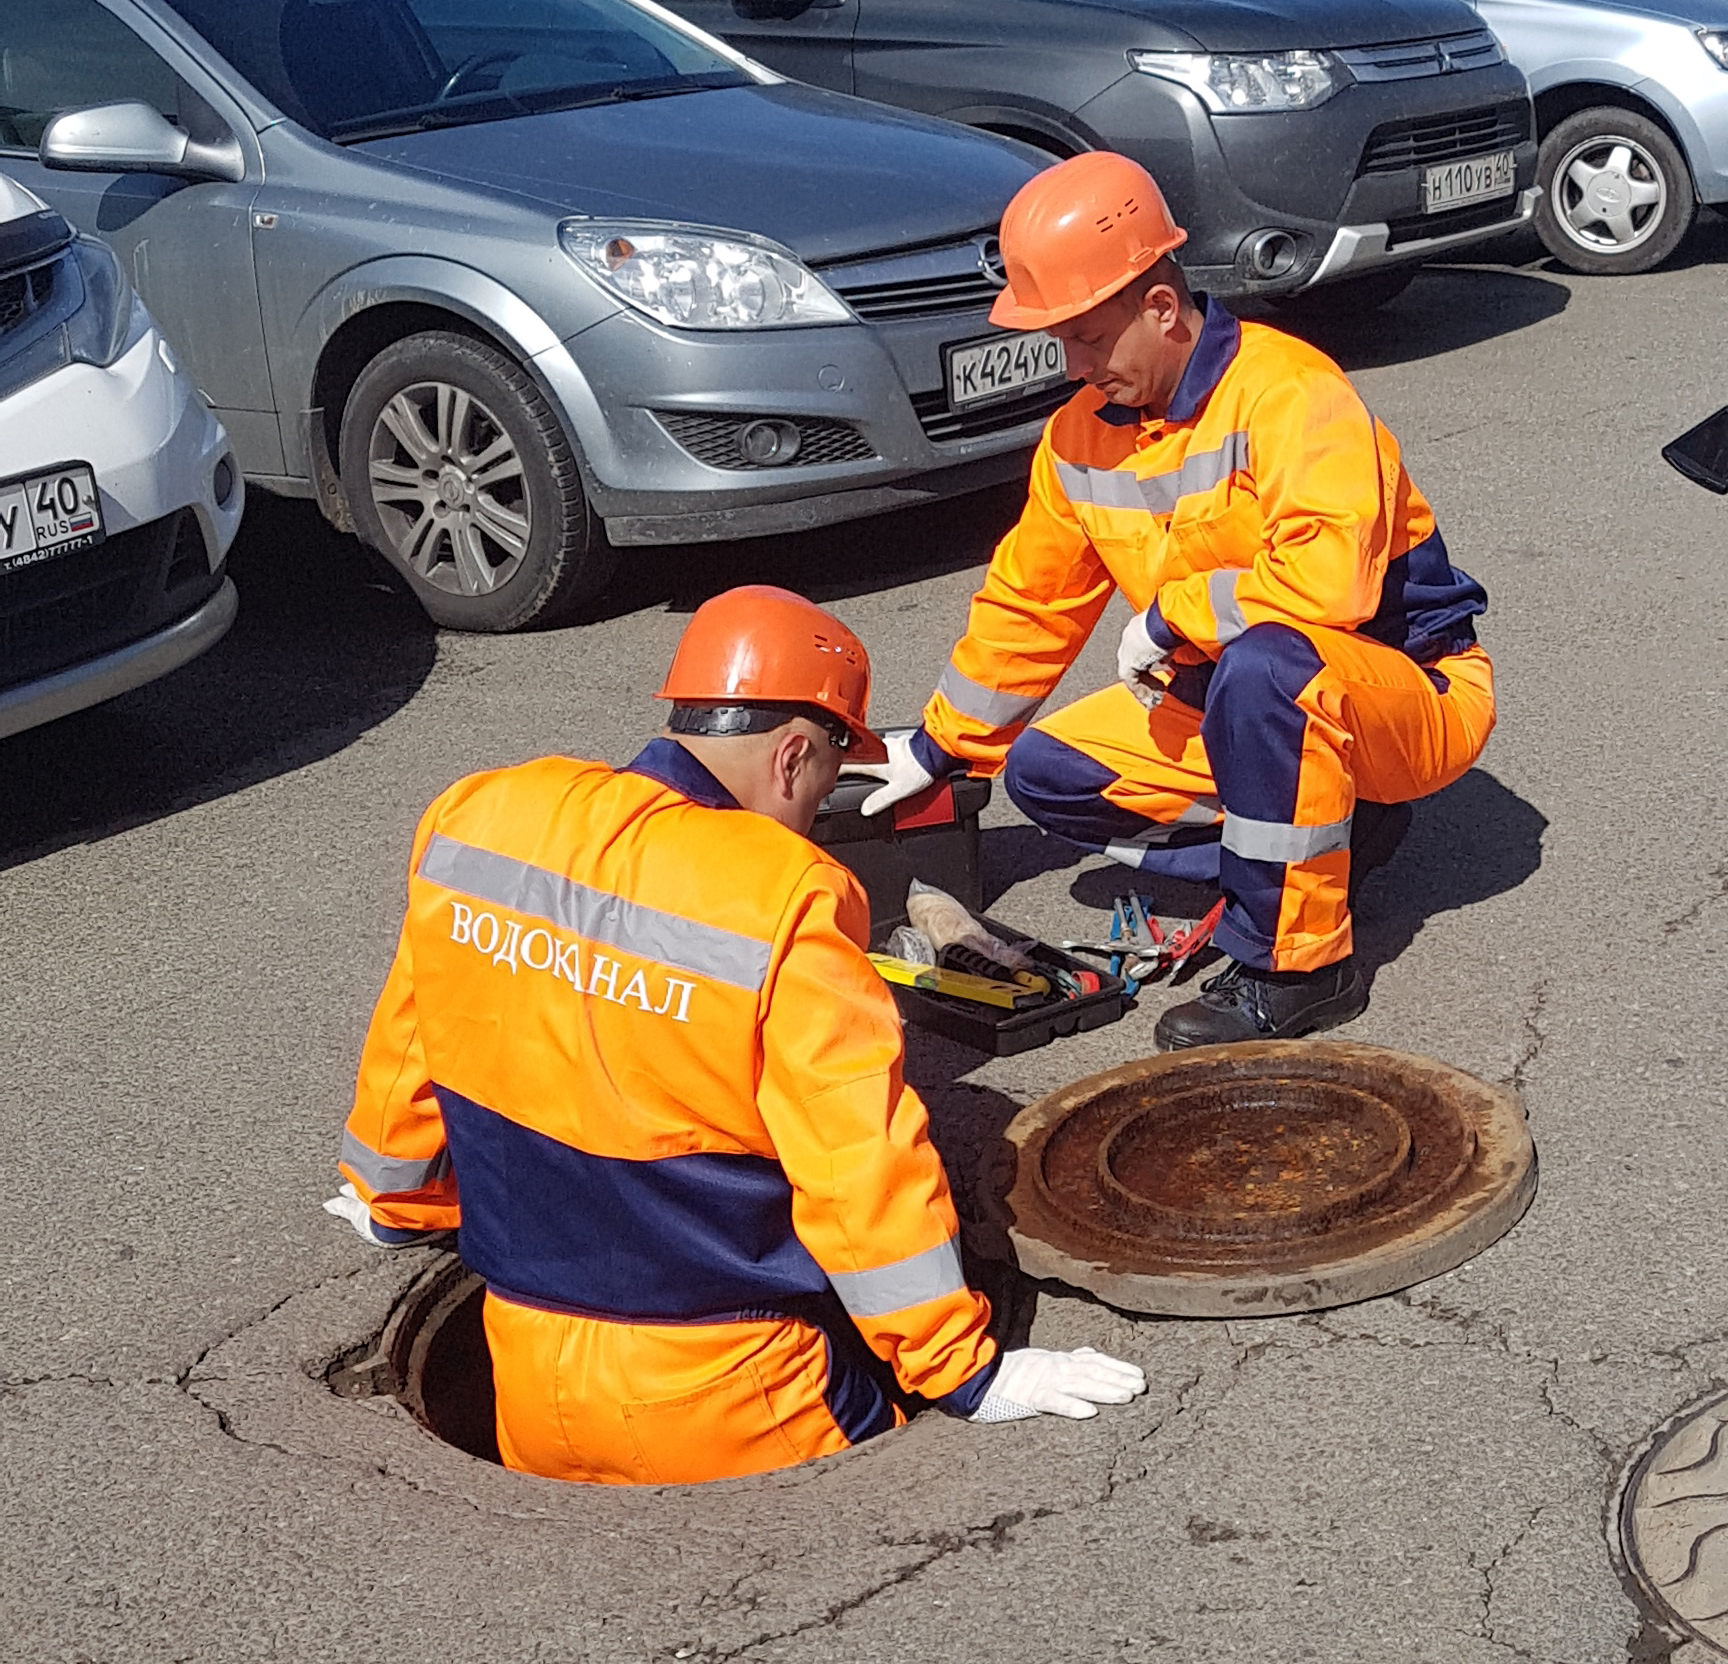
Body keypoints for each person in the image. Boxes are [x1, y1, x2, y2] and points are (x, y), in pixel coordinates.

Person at [323, 585, 1145, 1485]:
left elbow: (412, 1043)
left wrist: (392, 1202)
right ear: (794, 754)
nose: (814, 807)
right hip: (733, 1390)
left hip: (523, 1369)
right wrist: (967, 1371)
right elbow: (857, 1161)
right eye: (828, 778)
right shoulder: (785, 893)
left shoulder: (480, 816)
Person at [853, 153, 1496, 1049]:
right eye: (1060, 341)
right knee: (1048, 774)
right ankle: (1327, 838)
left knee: (1270, 667)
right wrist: (937, 748)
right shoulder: (1079, 439)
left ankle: (1300, 966)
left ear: (1161, 307)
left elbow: (1330, 583)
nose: (1071, 365)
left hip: (1405, 692)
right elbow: (1029, 603)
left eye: (1085, 336)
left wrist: (1172, 615)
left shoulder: (1290, 391)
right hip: (1240, 704)